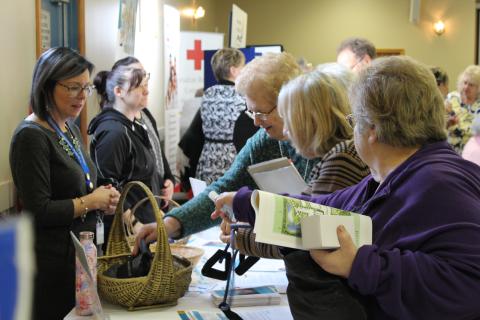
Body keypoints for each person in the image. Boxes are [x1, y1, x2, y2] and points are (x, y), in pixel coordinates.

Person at [214, 56, 480, 319]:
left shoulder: (438, 182)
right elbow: (322, 210)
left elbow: (469, 284)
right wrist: (246, 203)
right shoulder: (391, 177)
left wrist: (361, 265)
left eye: (354, 121)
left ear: (372, 128)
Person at [134, 52, 322, 249]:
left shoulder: (329, 146)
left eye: (261, 112)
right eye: (252, 112)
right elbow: (227, 185)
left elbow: (319, 224)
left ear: (289, 101)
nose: (256, 122)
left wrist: (248, 231)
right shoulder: (265, 139)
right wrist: (170, 224)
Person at [9, 47, 120, 320]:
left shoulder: (65, 126)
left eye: (86, 88)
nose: (82, 97)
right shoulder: (31, 136)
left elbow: (84, 178)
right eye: (73, 88)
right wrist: (90, 202)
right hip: (50, 266)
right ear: (47, 85)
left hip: (77, 258)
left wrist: (106, 194)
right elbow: (39, 210)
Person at [226, 64, 370, 259]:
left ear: (308, 120)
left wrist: (240, 236)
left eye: (288, 118)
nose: (285, 130)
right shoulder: (341, 154)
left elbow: (303, 238)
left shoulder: (341, 159)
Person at [88, 57, 172, 240]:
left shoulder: (134, 125)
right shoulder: (113, 133)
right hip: (127, 236)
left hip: (146, 223)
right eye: (138, 86)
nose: (146, 91)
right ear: (118, 91)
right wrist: (136, 225)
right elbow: (108, 190)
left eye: (146, 84)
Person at [195, 48, 258, 184]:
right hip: (231, 160)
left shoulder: (207, 93)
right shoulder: (242, 95)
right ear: (233, 70)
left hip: (208, 159)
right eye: (243, 67)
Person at [445, 65, 480, 153]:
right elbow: (438, 124)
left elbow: (474, 133)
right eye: (465, 83)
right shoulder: (452, 98)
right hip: (449, 151)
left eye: (471, 85)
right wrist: (447, 122)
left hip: (472, 153)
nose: (466, 87)